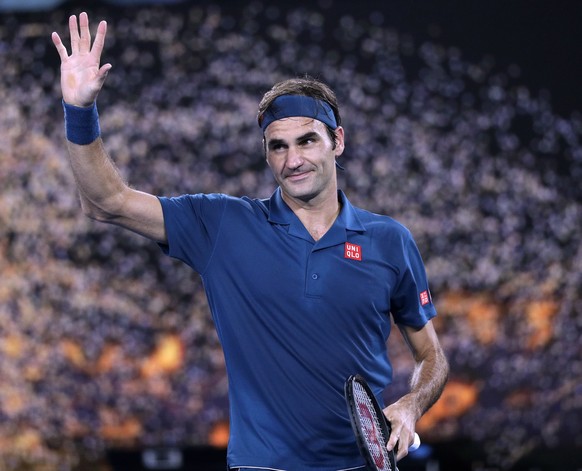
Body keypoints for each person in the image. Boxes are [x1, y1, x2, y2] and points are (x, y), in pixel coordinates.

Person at [51, 12, 449, 471]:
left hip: (362, 465)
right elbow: (107, 201)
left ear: (337, 141)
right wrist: (80, 111)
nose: (293, 159)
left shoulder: (390, 241)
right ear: (265, 153)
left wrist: (412, 404)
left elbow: (431, 356)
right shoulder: (223, 223)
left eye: (307, 141)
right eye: (278, 146)